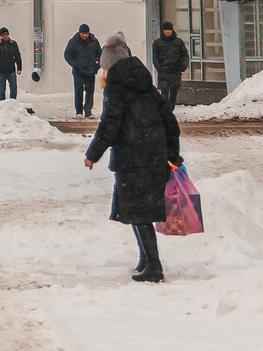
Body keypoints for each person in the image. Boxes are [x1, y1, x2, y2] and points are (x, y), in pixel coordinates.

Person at [84, 45, 183, 283]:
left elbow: (110, 124)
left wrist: (93, 154)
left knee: (139, 214)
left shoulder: (116, 88)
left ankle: (154, 267)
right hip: (153, 157)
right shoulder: (146, 86)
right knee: (141, 212)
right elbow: (170, 121)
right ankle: (146, 260)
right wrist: (172, 155)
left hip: (132, 159)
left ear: (110, 66)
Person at [62, 24, 103, 117]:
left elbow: (100, 54)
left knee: (90, 92)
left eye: (86, 33)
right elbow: (67, 54)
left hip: (90, 70)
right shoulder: (73, 42)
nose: (84, 35)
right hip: (78, 72)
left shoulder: (94, 42)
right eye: (83, 33)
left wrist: (97, 65)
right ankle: (79, 112)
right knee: (78, 91)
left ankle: (88, 111)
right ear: (79, 33)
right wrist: (75, 65)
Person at [152, 23, 190, 111]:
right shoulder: (157, 43)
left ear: (172, 30)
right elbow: (154, 57)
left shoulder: (178, 42)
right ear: (163, 31)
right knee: (164, 93)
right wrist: (159, 68)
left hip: (175, 71)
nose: (167, 32)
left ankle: (170, 110)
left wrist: (183, 66)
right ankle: (165, 111)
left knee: (173, 93)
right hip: (163, 72)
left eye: (169, 30)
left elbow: (184, 55)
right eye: (166, 30)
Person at [0, 27, 23, 101]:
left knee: (13, 87)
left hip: (11, 69)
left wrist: (19, 68)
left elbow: (17, 56)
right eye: (3, 35)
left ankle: (13, 102)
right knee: (2, 88)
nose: (5, 36)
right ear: (0, 35)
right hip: (1, 70)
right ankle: (2, 103)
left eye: (7, 34)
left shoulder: (13, 44)